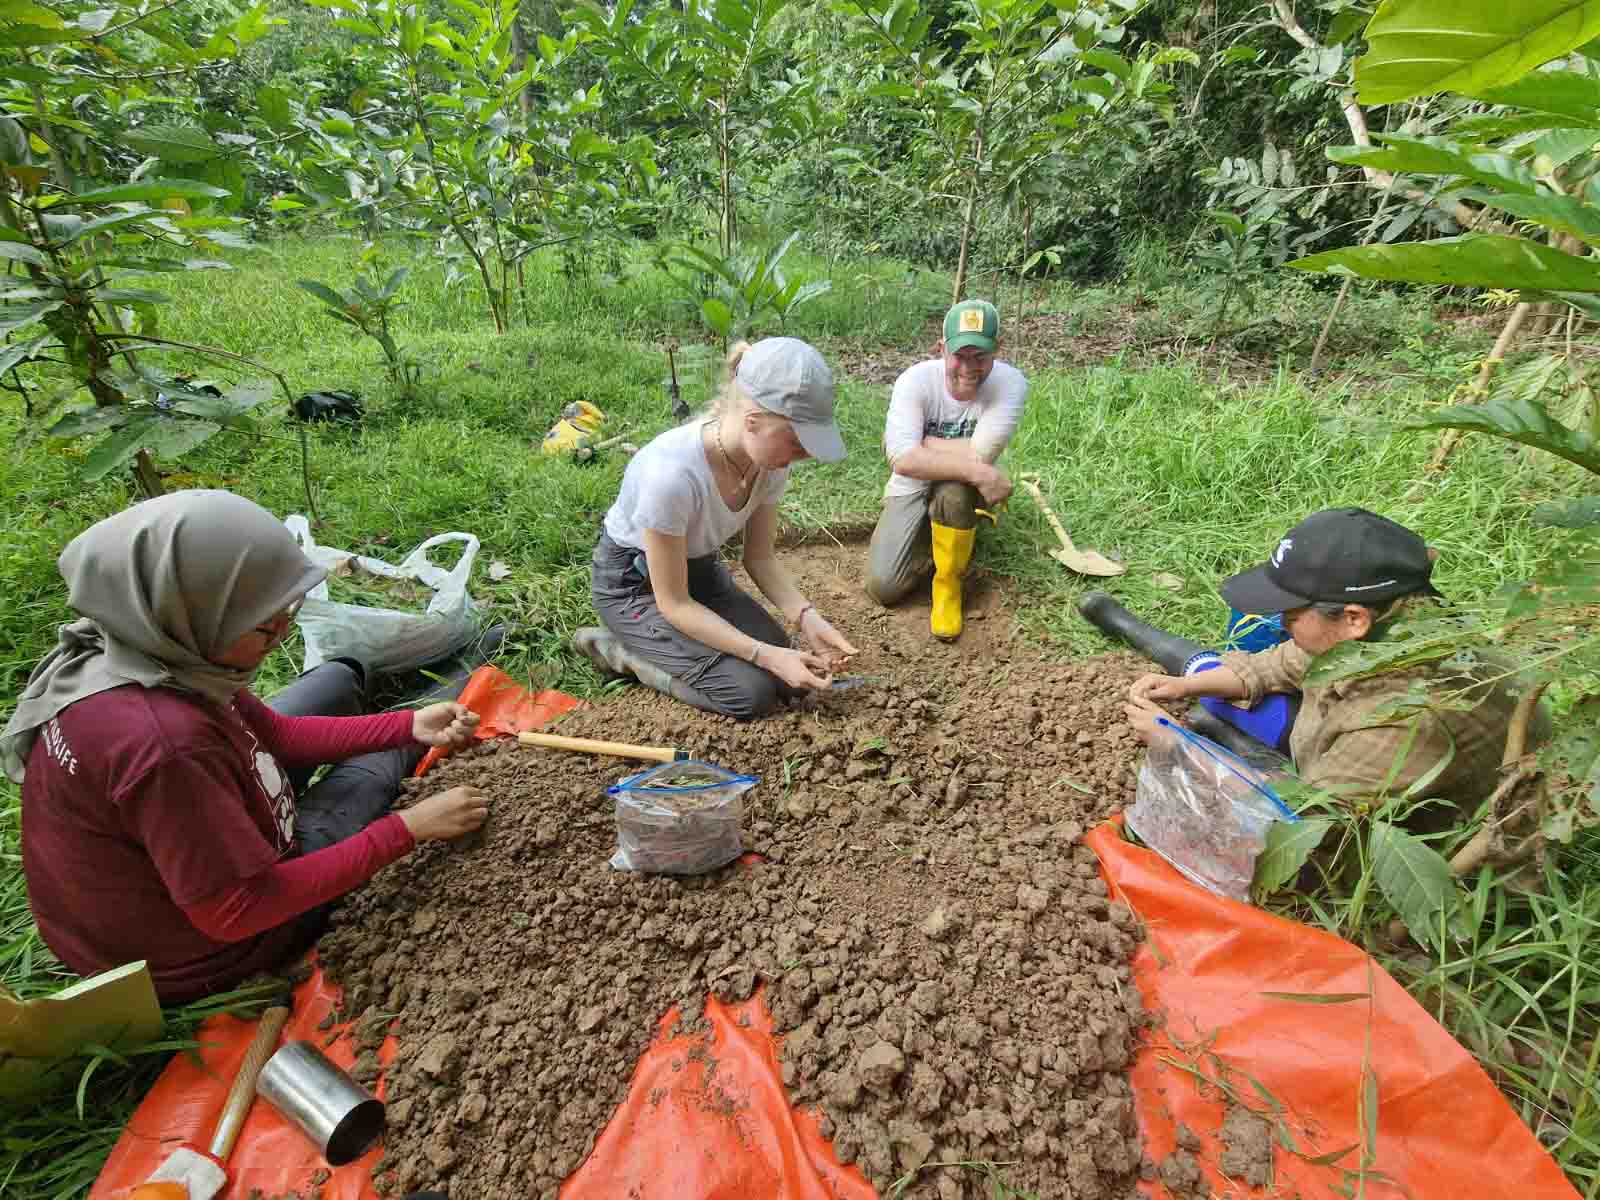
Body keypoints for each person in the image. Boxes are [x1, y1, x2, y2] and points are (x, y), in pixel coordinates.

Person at [2, 491, 491, 1003]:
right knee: (374, 770)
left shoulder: (149, 646)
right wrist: (408, 828)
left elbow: (273, 736)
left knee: (340, 676)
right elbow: (238, 909)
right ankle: (471, 670)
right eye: (262, 622)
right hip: (201, 952)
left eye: (286, 610)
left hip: (161, 874)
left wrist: (408, 725)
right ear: (196, 613)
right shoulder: (168, 747)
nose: (282, 631)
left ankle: (437, 689)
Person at [1120, 508, 1523, 817]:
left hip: (1387, 819)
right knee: (1216, 698)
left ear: (1352, 618)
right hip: (1345, 752)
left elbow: (1309, 818)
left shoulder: (1406, 719)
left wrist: (1179, 746)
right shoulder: (1394, 615)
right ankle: (1211, 710)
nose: (1281, 623)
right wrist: (1186, 687)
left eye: (1292, 615)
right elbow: (1280, 665)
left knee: (1231, 786)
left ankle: (1241, 753)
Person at [575, 337, 858, 719]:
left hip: (699, 571)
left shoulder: (769, 464)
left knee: (790, 679)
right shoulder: (671, 475)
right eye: (797, 442)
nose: (804, 456)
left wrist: (807, 617)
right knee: (749, 694)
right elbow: (673, 603)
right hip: (634, 587)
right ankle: (622, 650)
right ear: (753, 422)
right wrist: (767, 656)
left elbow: (760, 559)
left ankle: (673, 648)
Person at [865, 299, 1027, 640]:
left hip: (961, 484)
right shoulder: (915, 381)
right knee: (883, 586)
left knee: (953, 493)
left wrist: (919, 446)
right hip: (914, 482)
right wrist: (978, 469)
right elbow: (904, 462)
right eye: (960, 355)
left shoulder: (1010, 383)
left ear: (997, 349)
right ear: (941, 349)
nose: (969, 367)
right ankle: (931, 532)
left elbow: (980, 454)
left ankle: (949, 585)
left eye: (980, 356)